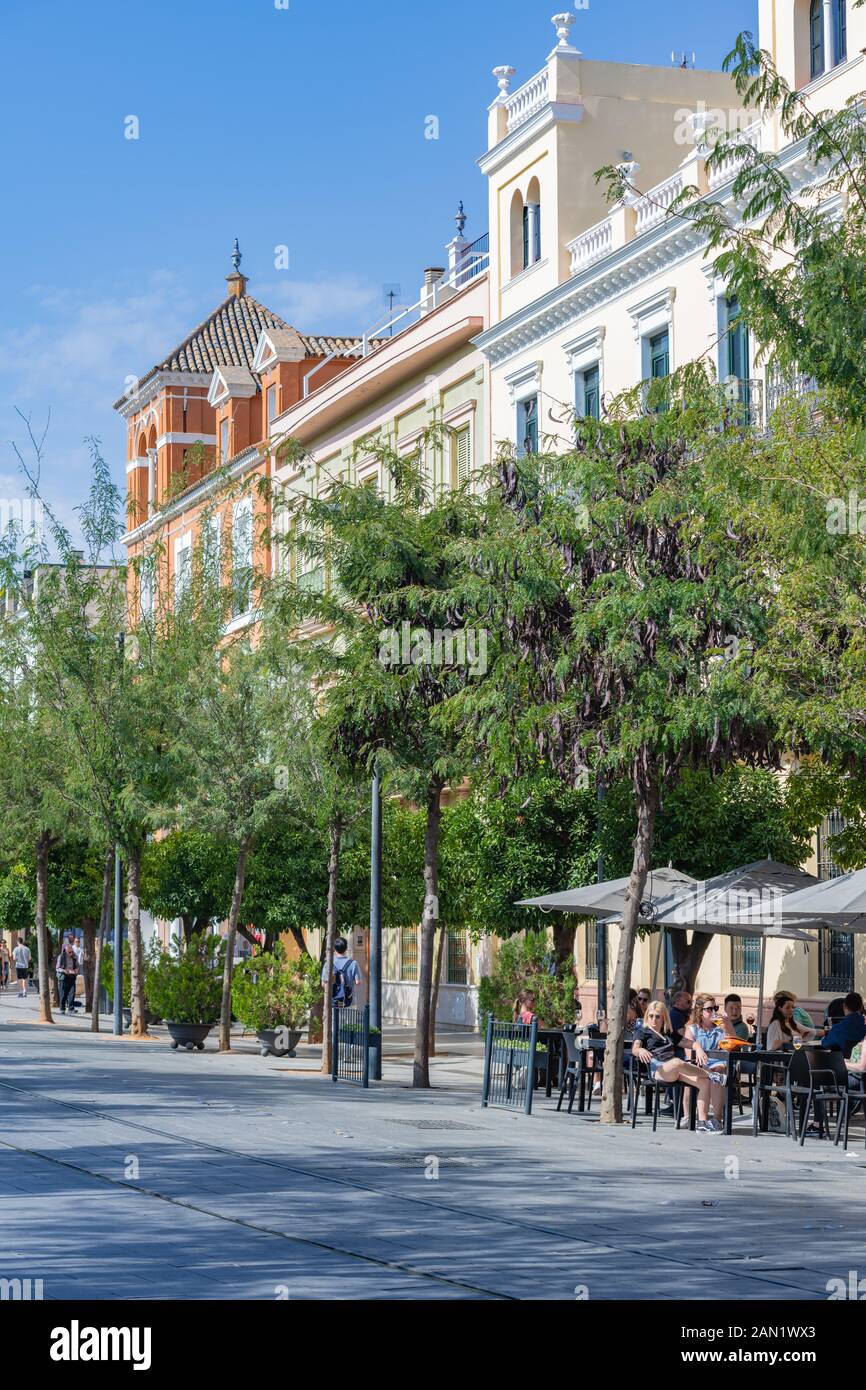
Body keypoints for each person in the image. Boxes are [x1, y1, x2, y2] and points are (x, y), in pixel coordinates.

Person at [631, 1000, 719, 1133]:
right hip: (658, 1070)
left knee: (704, 1083)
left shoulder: (669, 1033)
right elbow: (635, 1048)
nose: (653, 1020)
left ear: (664, 1017)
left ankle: (702, 1122)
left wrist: (699, 1049)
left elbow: (692, 1044)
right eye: (651, 1016)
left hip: (675, 1071)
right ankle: (712, 1075)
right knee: (677, 1062)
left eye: (657, 1016)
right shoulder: (643, 1031)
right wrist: (641, 1050)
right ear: (647, 1016)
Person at [683, 994, 738, 1128]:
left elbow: (734, 1045)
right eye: (709, 1009)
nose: (714, 1012)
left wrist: (728, 1025)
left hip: (717, 1065)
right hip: (698, 1065)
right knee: (707, 1074)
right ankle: (688, 1116)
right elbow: (690, 1056)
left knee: (718, 1072)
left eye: (715, 1008)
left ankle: (716, 1119)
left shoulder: (719, 1028)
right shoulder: (692, 1029)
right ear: (700, 1011)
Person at [821, 991, 866, 1057]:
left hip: (844, 1065)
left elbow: (825, 1044)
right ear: (861, 1007)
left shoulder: (837, 1029)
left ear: (844, 1006)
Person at [322, 937, 362, 1008]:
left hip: (332, 1002)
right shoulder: (353, 963)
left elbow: (323, 984)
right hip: (348, 1001)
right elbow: (358, 982)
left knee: (333, 1019)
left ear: (334, 949)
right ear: (346, 948)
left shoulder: (328, 963)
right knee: (350, 1018)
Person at [56, 936, 80, 1015]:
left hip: (72, 976)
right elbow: (57, 968)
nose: (71, 953)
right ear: (65, 951)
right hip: (64, 977)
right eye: (69, 952)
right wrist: (64, 971)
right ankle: (62, 1008)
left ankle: (71, 1008)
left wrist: (76, 970)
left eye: (72, 952)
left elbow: (77, 966)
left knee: (72, 993)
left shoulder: (74, 957)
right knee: (63, 993)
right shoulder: (61, 957)